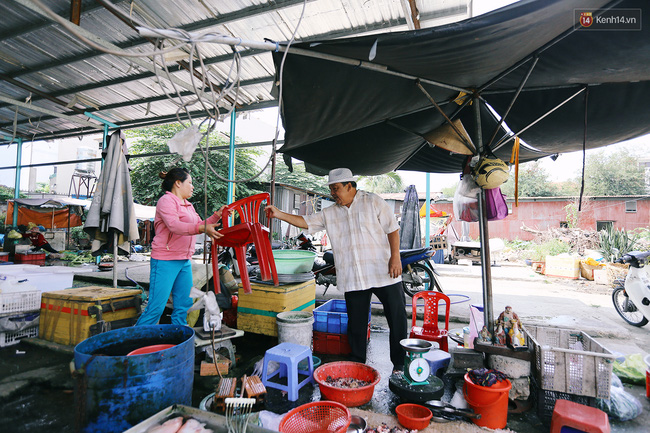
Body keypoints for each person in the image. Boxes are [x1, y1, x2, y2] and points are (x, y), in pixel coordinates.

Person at [265, 168, 407, 372]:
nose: (333, 193)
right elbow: (306, 222)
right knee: (356, 323)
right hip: (354, 276)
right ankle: (358, 363)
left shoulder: (373, 201)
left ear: (350, 186)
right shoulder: (330, 213)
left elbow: (392, 229)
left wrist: (395, 257)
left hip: (383, 271)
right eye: (331, 189)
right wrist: (278, 214)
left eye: (336, 188)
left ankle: (400, 364)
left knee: (397, 318)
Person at [136, 167, 226, 326]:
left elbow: (199, 224)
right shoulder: (166, 201)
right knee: (156, 308)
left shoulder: (188, 205)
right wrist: (201, 228)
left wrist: (217, 215)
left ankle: (178, 339)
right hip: (165, 260)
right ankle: (136, 343)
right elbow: (174, 225)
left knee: (183, 305)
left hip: (184, 260)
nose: (192, 186)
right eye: (189, 183)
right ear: (178, 183)